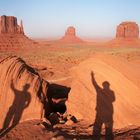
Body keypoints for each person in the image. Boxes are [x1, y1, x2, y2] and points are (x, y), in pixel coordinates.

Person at [91, 71, 115, 140]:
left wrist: (92, 76)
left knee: (97, 128)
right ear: (108, 85)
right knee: (108, 130)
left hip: (100, 112)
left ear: (103, 85)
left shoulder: (99, 90)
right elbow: (113, 100)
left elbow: (94, 84)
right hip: (108, 113)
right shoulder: (111, 92)